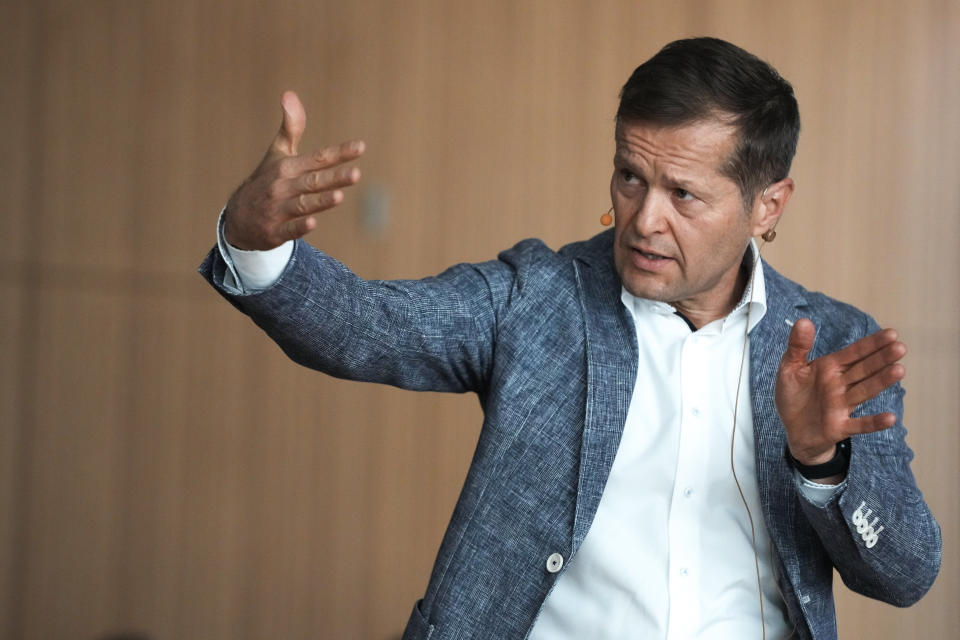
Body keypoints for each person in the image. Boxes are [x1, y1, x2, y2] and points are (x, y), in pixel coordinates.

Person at [199, 38, 940, 639]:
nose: (644, 219)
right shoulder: (541, 298)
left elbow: (905, 574)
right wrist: (257, 245)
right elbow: (370, 328)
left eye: (682, 193)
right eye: (629, 177)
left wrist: (822, 461)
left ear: (766, 205)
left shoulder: (836, 348)